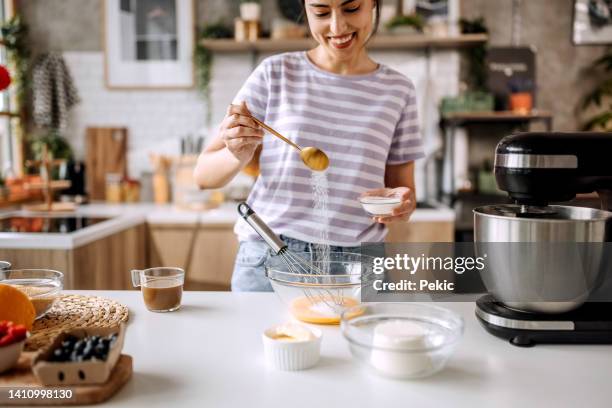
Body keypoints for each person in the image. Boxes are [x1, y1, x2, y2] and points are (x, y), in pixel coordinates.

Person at [194, 0, 425, 292]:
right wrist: (236, 153)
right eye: (321, 12)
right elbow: (203, 175)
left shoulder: (398, 90)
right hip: (272, 255)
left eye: (351, 9)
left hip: (360, 266)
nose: (337, 27)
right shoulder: (275, 74)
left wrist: (401, 202)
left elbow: (403, 191)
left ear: (373, 5)